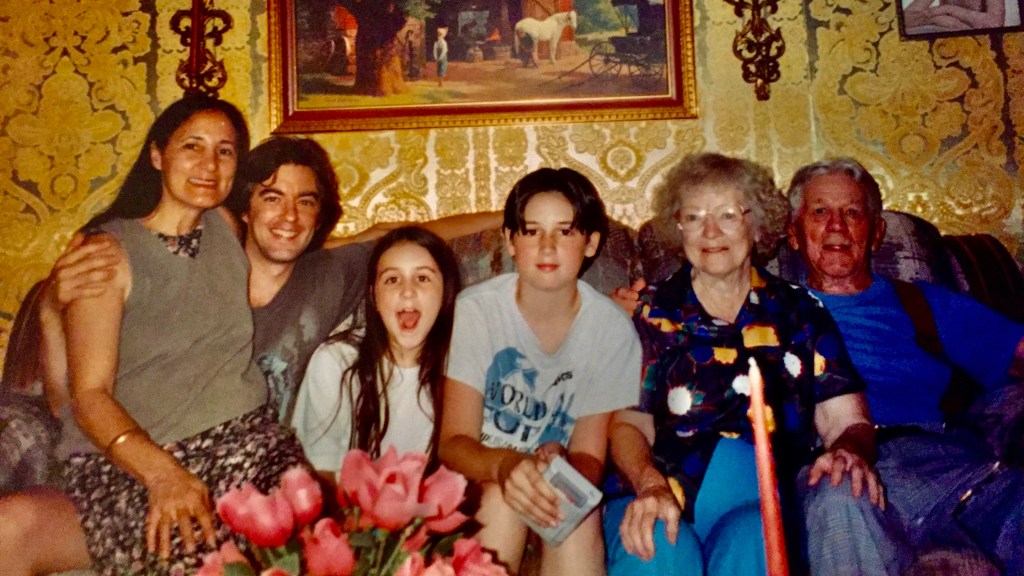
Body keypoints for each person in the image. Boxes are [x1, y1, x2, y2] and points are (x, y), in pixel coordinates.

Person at [0, 96, 308, 576]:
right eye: (193, 146)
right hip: (139, 462)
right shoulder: (107, 254)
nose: (210, 164)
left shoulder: (226, 226)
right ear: (158, 155)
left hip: (245, 445)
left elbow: (306, 253)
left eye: (225, 151)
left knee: (300, 531)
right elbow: (86, 396)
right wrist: (165, 476)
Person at [604, 152, 879, 576]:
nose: (710, 231)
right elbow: (628, 424)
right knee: (656, 544)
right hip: (652, 489)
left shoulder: (800, 312)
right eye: (694, 217)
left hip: (761, 500)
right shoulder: (650, 312)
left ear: (758, 223)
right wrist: (650, 484)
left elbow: (847, 421)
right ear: (679, 227)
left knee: (759, 537)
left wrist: (848, 451)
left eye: (728, 215)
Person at [787, 157, 1024, 575]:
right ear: (793, 233)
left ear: (876, 233)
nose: (837, 226)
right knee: (839, 497)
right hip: (838, 469)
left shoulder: (923, 303)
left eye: (852, 212)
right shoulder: (770, 314)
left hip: (950, 467)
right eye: (820, 212)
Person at [438, 168, 642, 576]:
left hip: (553, 488)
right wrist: (505, 466)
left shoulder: (610, 328)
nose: (547, 247)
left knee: (573, 505)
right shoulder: (475, 312)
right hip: (477, 483)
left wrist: (562, 462)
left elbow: (589, 456)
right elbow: (453, 443)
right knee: (502, 499)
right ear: (510, 241)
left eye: (565, 232)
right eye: (532, 231)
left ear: (590, 243)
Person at [292, 226, 461, 483]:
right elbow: (318, 472)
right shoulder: (336, 361)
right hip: (351, 505)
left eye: (423, 278)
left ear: (445, 291)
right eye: (392, 279)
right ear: (374, 296)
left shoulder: (465, 363)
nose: (407, 291)